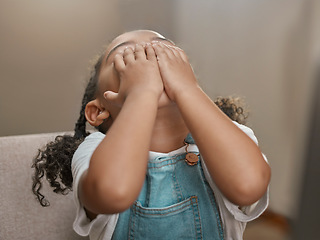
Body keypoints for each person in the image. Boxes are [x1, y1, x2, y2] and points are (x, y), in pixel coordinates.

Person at [32, 30, 271, 240]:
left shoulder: (226, 138)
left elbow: (248, 186)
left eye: (162, 45)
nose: (148, 50)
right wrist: (141, 92)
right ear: (99, 110)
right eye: (125, 53)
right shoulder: (95, 150)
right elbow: (112, 192)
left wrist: (187, 89)